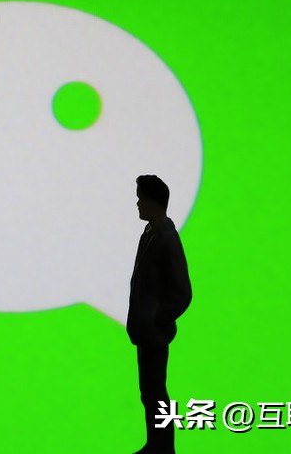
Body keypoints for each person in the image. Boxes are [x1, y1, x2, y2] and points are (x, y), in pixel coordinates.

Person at [128, 174, 192, 454]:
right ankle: (155, 443)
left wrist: (157, 318)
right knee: (149, 392)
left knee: (156, 393)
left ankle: (163, 447)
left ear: (154, 202)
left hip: (153, 333)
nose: (137, 203)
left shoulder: (166, 237)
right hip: (145, 331)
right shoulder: (150, 233)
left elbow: (182, 293)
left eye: (141, 198)